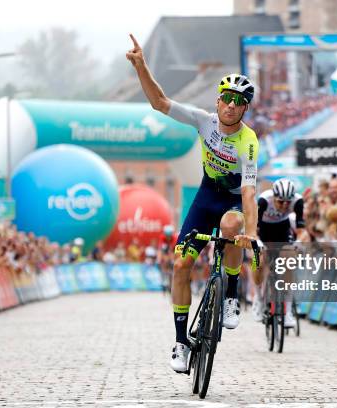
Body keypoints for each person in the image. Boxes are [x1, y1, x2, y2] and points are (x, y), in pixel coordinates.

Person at [126, 34, 258, 372]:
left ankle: (230, 297)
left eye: (239, 101)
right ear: (218, 101)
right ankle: (181, 342)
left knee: (232, 227)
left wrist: (251, 233)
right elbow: (160, 102)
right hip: (205, 197)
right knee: (181, 264)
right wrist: (142, 65)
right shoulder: (203, 121)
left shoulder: (248, 142)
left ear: (245, 108)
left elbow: (248, 193)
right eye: (227, 98)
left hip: (231, 201)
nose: (231, 105)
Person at [252, 178, 304, 327]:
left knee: (289, 260)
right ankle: (259, 298)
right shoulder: (263, 201)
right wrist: (258, 243)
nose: (285, 205)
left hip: (282, 231)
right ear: (273, 197)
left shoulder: (298, 201)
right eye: (280, 202)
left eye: (288, 202)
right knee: (259, 261)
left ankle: (287, 312)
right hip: (262, 231)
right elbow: (252, 229)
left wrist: (299, 242)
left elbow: (301, 231)